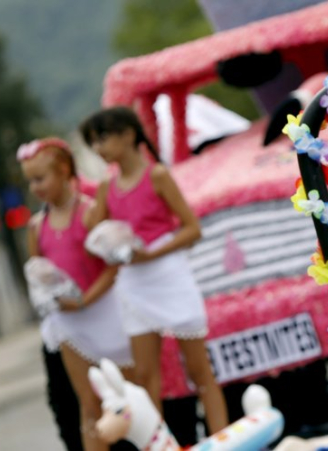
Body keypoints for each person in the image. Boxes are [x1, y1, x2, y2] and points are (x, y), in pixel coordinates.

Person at [80, 107, 229, 433]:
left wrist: (153, 253)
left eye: (103, 138)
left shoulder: (157, 175)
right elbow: (94, 228)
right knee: (146, 374)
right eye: (93, 142)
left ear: (129, 135)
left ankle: (221, 439)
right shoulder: (108, 187)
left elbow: (192, 228)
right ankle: (156, 441)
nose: (99, 148)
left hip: (168, 275)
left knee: (199, 370)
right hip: (134, 282)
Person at [19, 137, 133, 451]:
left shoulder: (90, 211)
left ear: (64, 170)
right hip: (70, 323)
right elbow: (37, 273)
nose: (35, 187)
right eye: (30, 181)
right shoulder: (36, 226)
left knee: (125, 397)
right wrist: (53, 298)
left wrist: (86, 299)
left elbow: (112, 266)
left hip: (105, 313)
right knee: (89, 404)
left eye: (41, 178)